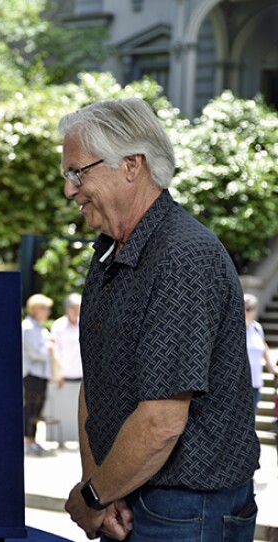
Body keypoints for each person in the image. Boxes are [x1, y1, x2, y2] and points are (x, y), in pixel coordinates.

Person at [60, 98, 259, 541]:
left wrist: (92, 497)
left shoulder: (182, 257)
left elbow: (162, 421)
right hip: (129, 496)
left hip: (186, 508)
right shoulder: (110, 254)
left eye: (78, 172)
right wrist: (102, 489)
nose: (70, 190)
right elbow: (97, 384)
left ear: (131, 165)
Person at [46, 293, 83, 446]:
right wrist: (57, 373)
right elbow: (55, 351)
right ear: (67, 309)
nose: (77, 311)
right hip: (64, 375)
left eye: (79, 308)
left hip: (82, 374)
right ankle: (60, 439)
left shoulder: (85, 323)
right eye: (74, 308)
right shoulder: (59, 325)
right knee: (63, 410)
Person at [22, 293, 55, 457]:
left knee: (38, 408)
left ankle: (33, 439)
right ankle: (27, 440)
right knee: (31, 407)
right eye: (45, 308)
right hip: (31, 374)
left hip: (42, 374)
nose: (48, 312)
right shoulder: (27, 328)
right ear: (35, 309)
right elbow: (35, 352)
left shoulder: (41, 328)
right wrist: (49, 347)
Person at [244, 293, 277, 410]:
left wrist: (272, 367)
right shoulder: (234, 328)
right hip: (238, 384)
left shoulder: (257, 328)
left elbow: (264, 347)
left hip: (255, 383)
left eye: (248, 309)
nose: (245, 312)